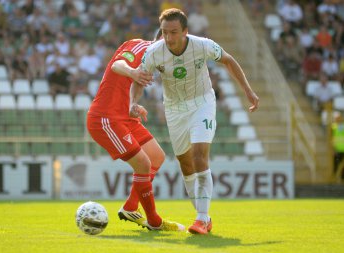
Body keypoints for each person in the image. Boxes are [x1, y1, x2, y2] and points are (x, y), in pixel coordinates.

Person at [130, 8, 259, 235]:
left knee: (199, 155)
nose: (168, 38)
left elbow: (228, 60)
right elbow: (139, 79)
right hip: (174, 109)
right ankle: (205, 218)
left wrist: (247, 91)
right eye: (164, 32)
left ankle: (200, 218)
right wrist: (133, 102)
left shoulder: (202, 45)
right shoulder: (154, 52)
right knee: (186, 164)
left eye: (173, 32)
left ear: (185, 31)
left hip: (202, 103)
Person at [86, 33, 184, 232]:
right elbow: (117, 65)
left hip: (125, 117)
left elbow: (138, 84)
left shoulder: (153, 62)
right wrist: (133, 72)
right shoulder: (140, 47)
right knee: (143, 163)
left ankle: (131, 207)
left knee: (156, 157)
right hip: (106, 118)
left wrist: (132, 104)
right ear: (161, 39)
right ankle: (155, 222)